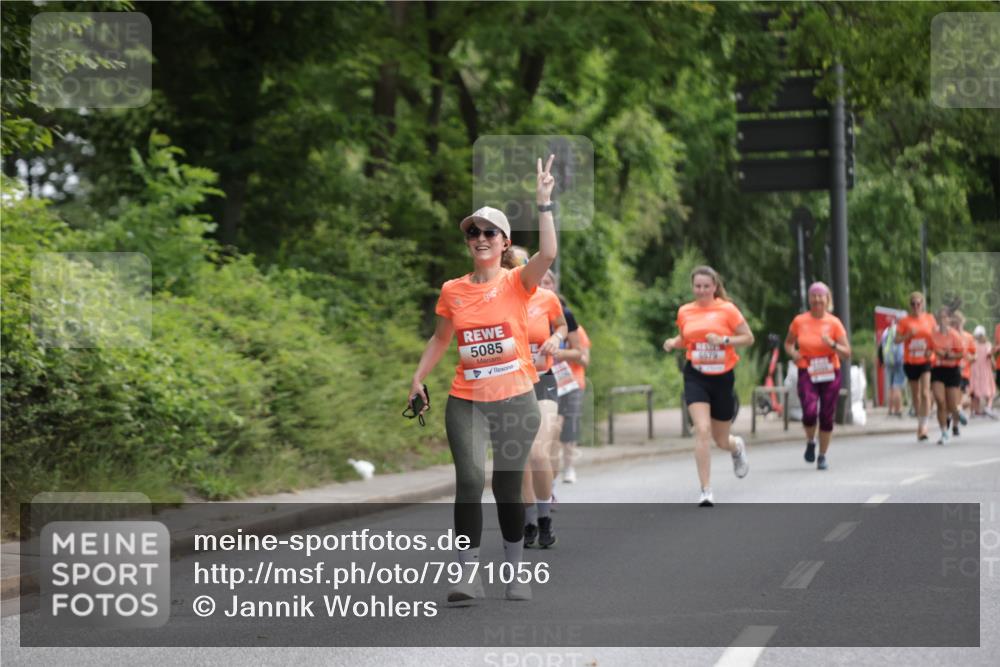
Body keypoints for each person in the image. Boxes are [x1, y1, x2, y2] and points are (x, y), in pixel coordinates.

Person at [407, 155, 557, 602]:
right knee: (470, 482)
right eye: (472, 232)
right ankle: (468, 574)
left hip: (514, 397)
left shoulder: (517, 283)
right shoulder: (453, 290)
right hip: (466, 397)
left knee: (507, 487)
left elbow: (547, 253)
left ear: (505, 241)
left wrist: (544, 203)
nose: (480, 238)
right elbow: (439, 340)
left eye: (489, 232)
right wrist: (417, 378)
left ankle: (516, 571)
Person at [662, 266, 753, 507]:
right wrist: (674, 342)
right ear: (693, 287)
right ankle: (706, 490)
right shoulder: (685, 311)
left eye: (706, 286)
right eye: (697, 286)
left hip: (723, 377)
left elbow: (748, 338)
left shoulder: (727, 310)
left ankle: (736, 447)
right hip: (696, 375)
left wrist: (724, 340)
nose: (701, 290)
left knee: (721, 440)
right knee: (702, 430)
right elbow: (686, 338)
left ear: (714, 287)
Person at [520, 267, 567, 549]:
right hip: (512, 384)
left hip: (544, 381)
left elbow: (561, 325)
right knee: (521, 459)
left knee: (539, 453)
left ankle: (545, 516)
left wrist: (556, 338)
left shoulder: (547, 298)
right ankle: (528, 521)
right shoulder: (499, 301)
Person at [784, 282, 852, 470]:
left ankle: (822, 455)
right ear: (809, 299)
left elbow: (847, 352)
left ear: (827, 299)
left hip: (830, 371)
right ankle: (810, 441)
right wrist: (794, 354)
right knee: (809, 411)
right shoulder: (799, 321)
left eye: (820, 296)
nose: (817, 299)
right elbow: (788, 343)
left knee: (827, 415)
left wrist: (832, 345)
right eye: (813, 296)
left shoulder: (834, 322)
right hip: (807, 369)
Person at [896, 292, 936, 441]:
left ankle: (924, 425)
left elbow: (936, 337)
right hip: (910, 361)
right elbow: (896, 340)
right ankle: (920, 423)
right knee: (916, 396)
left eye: (918, 303)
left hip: (925, 360)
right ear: (910, 305)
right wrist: (907, 336)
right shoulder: (904, 321)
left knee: (925, 393)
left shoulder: (930, 319)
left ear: (923, 304)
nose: (916, 306)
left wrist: (931, 350)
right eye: (913, 303)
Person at [929, 307, 964, 445]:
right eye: (941, 317)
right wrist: (934, 354)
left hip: (952, 370)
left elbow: (961, 354)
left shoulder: (954, 335)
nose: (943, 320)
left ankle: (957, 413)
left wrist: (950, 355)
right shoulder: (933, 334)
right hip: (937, 369)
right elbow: (930, 349)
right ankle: (944, 432)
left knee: (952, 404)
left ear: (949, 320)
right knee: (939, 401)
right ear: (937, 319)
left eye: (945, 317)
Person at [878, 316, 906, 417]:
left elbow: (881, 346)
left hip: (888, 361)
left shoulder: (887, 331)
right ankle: (898, 410)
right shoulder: (900, 330)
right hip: (899, 360)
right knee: (897, 385)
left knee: (890, 386)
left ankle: (890, 409)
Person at [952, 310, 975, 433]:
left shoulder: (968, 337)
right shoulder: (949, 336)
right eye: (955, 323)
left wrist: (970, 357)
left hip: (965, 372)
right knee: (955, 400)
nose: (957, 326)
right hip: (952, 371)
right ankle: (955, 427)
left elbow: (973, 355)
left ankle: (957, 412)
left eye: (959, 323)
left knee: (966, 400)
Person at [970, 325, 995, 417]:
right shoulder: (987, 345)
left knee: (976, 391)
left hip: (975, 370)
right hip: (984, 369)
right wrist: (993, 362)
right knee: (990, 390)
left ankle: (975, 411)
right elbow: (989, 355)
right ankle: (988, 407)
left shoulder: (974, 344)